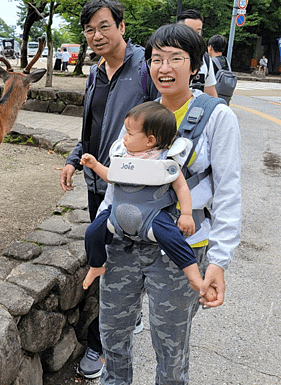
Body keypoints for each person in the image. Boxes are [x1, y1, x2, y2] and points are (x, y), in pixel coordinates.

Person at [79, 23, 241, 385]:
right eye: (156, 59)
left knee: (170, 341)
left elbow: (228, 193)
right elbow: (118, 182)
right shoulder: (141, 113)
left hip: (179, 249)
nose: (164, 68)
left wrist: (218, 261)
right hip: (126, 243)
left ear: (195, 65)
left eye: (175, 58)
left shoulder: (215, 117)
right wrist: (105, 231)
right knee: (113, 325)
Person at [60, 0, 158, 379]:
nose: (97, 35)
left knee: (117, 266)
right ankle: (126, 317)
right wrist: (73, 158)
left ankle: (101, 346)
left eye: (103, 26)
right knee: (107, 260)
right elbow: (92, 130)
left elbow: (161, 130)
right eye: (89, 30)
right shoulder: (95, 73)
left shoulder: (145, 69)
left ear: (120, 25)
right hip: (95, 184)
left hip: (131, 189)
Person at [80, 101, 216, 304]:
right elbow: (111, 176)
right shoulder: (122, 155)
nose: (124, 138)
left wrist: (186, 214)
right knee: (92, 233)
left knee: (173, 241)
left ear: (151, 140)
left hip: (152, 217)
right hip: (116, 214)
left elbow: (181, 188)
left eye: (129, 133)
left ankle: (194, 276)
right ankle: (95, 265)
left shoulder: (166, 160)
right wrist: (95, 165)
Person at [177, 9, 217, 97]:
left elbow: (211, 93)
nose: (194, 36)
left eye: (198, 32)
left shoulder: (205, 59)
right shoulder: (165, 58)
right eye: (190, 31)